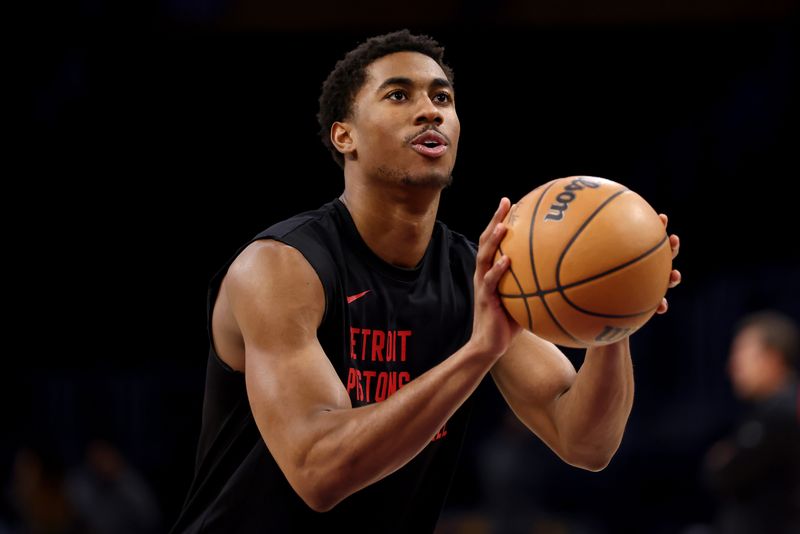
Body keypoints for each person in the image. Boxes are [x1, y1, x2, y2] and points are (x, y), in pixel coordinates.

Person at [170, 29, 681, 533]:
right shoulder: (281, 268)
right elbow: (318, 470)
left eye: (443, 97)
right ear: (344, 135)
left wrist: (616, 312)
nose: (430, 110)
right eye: (399, 94)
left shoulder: (473, 273)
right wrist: (477, 353)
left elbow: (585, 443)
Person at [704, 311, 800, 534]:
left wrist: (724, 458)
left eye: (742, 353)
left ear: (772, 358)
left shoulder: (784, 409)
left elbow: (723, 473)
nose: (732, 366)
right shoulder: (770, 408)